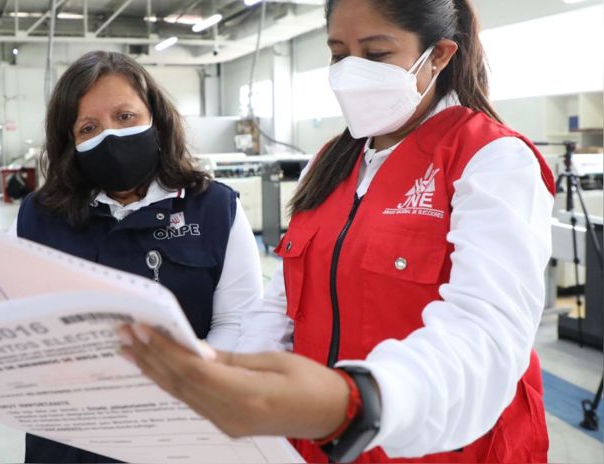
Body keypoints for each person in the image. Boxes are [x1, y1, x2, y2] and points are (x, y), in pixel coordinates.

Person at [120, 0, 555, 463]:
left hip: (442, 445)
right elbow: (285, 300)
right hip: (319, 438)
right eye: (338, 53)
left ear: (441, 55)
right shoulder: (330, 161)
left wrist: (358, 400)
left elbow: (485, 334)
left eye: (376, 55)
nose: (351, 72)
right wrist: (242, 378)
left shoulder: (489, 160)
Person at [0, 50, 285, 462]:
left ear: (155, 117)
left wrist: (188, 386)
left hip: (181, 432)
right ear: (71, 142)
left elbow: (238, 321)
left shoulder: (213, 209)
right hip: (70, 441)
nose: (111, 136)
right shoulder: (39, 217)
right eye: (89, 127)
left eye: (125, 117)